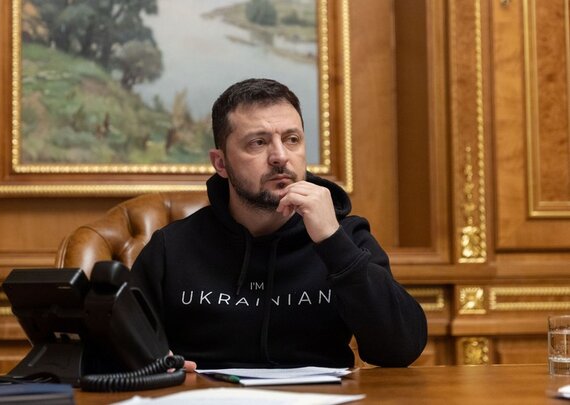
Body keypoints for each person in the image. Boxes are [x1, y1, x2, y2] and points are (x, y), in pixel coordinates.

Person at [130, 78, 428, 370]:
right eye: (258, 143)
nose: (280, 156)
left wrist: (332, 241)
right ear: (220, 163)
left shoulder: (346, 237)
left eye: (292, 140)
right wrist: (151, 364)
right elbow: (119, 350)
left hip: (321, 396)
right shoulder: (172, 247)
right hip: (206, 393)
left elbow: (400, 350)